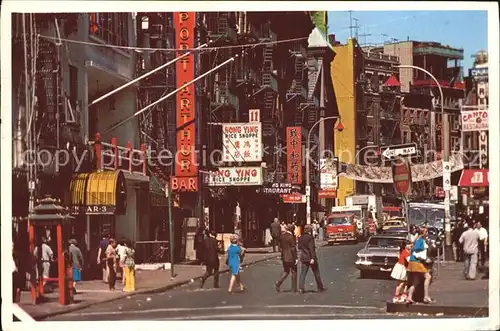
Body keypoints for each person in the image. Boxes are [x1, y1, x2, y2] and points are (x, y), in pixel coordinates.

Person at [406, 227, 433, 304]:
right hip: (417, 262)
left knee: (416, 281)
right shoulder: (420, 240)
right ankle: (426, 296)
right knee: (428, 277)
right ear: (424, 233)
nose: (427, 234)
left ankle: (409, 297)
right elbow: (417, 248)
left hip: (413, 262)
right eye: (426, 232)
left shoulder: (418, 239)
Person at [298, 224, 325, 294]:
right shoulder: (310, 238)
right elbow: (311, 248)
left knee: (303, 274)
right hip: (310, 257)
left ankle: (301, 288)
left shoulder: (300, 237)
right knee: (316, 273)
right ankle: (320, 287)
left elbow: (299, 247)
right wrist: (312, 258)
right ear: (310, 230)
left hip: (303, 257)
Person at [275, 224, 298, 293]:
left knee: (286, 271)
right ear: (292, 230)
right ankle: (294, 288)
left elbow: (280, 246)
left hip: (284, 256)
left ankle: (279, 283)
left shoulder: (282, 236)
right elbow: (293, 248)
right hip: (291, 257)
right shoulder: (291, 237)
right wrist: (296, 258)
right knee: (294, 271)